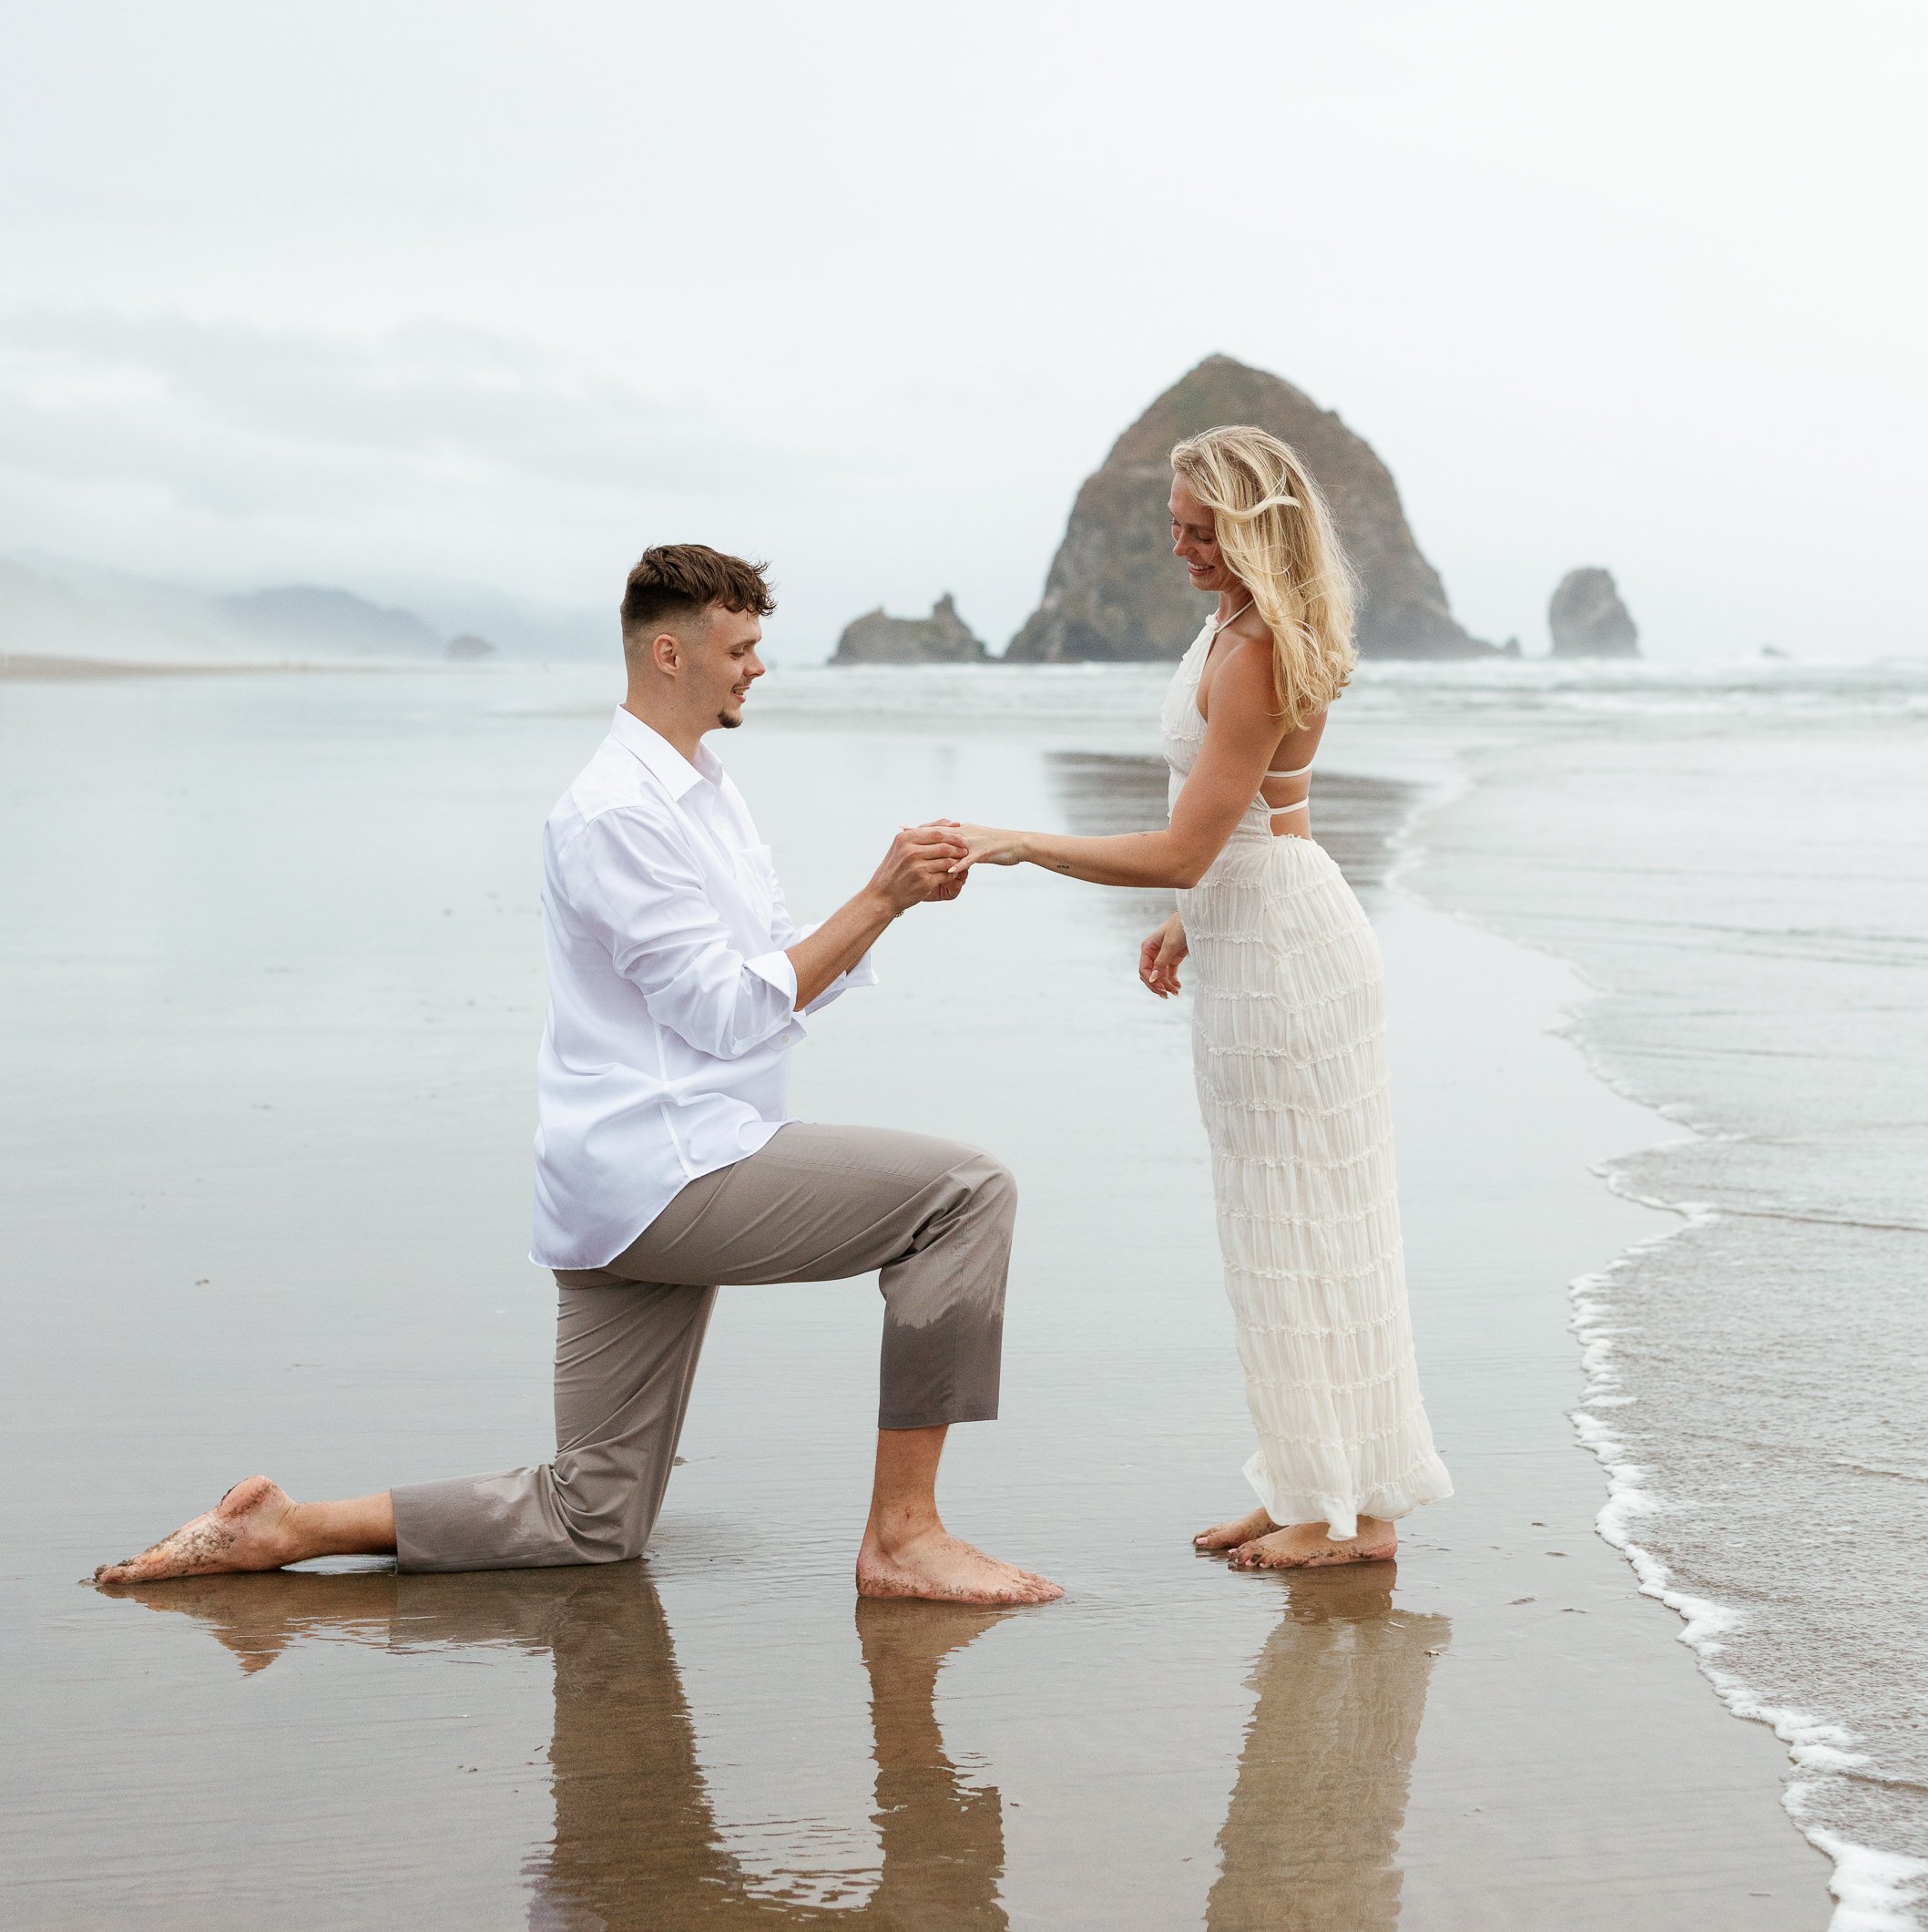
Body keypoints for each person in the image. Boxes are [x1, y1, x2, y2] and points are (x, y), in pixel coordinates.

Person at [97, 543, 1060, 1607]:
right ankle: (905, 1536)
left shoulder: (707, 791)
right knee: (966, 1195)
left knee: (592, 1518)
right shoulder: (615, 813)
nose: (757, 669)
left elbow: (772, 969)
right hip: (674, 1169)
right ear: (667, 653)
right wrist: (880, 899)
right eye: (740, 649)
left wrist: (894, 901)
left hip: (631, 1182)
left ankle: (281, 1526)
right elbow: (725, 1010)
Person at [954, 425, 1451, 1571]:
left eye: (1199, 529)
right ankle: (1302, 1485)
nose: (1179, 547)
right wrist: (1193, 920)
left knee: (1322, 1232)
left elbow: (1186, 844)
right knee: (1270, 1228)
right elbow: (1270, 815)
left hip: (1289, 960)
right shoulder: (1226, 623)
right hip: (1255, 931)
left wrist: (1024, 842)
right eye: (1172, 526)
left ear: (1254, 526)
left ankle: (1361, 1520)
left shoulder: (1264, 646)